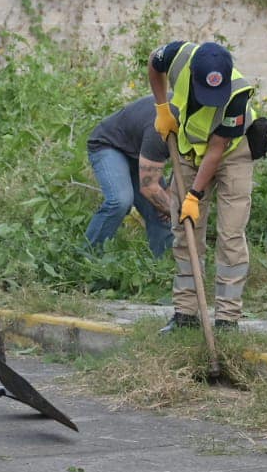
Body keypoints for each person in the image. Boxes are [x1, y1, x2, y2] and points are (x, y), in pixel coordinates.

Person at [148, 40, 256, 333]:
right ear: (193, 74)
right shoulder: (177, 55)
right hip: (187, 151)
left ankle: (227, 320)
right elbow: (153, 64)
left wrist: (194, 195)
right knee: (185, 231)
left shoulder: (237, 95)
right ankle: (185, 315)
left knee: (231, 235)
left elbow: (217, 149)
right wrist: (162, 108)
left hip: (233, 154)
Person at [85, 95, 173, 257]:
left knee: (163, 209)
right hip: (110, 145)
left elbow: (186, 168)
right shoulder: (162, 127)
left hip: (141, 152)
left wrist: (168, 198)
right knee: (120, 201)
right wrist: (174, 211)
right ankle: (88, 260)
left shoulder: (198, 125)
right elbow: (149, 188)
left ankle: (163, 270)